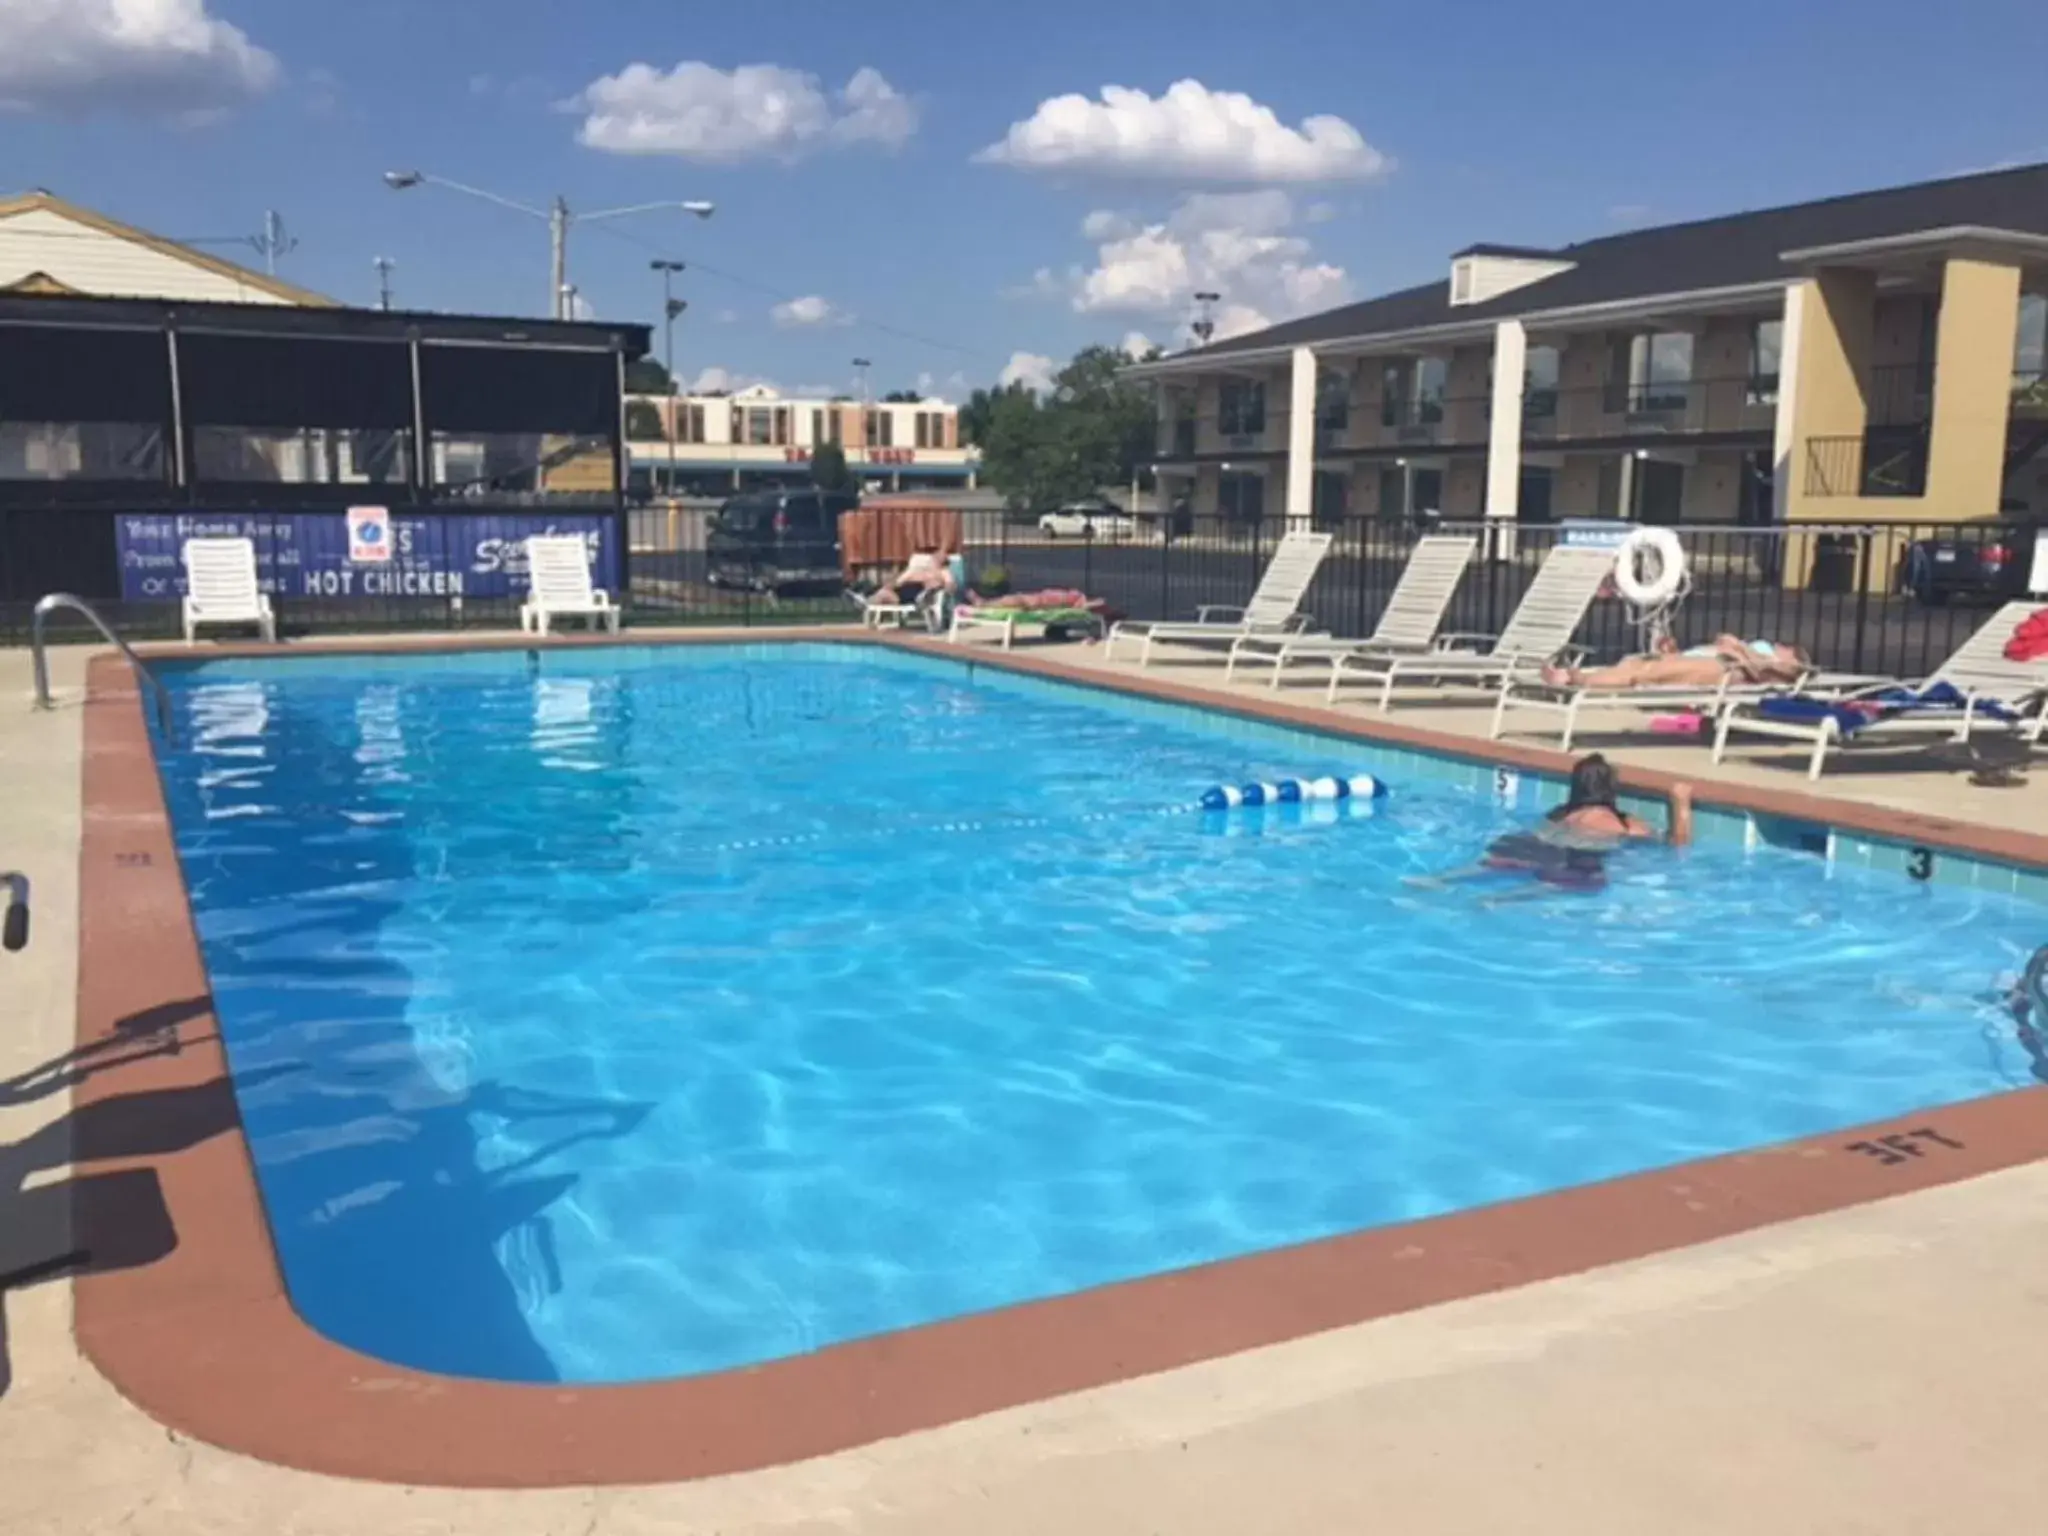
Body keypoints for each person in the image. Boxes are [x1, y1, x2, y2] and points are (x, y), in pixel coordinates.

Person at [1407, 754, 1691, 903]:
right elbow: (1676, 844)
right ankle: (1497, 900)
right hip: (1576, 854)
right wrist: (1681, 804)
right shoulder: (1621, 823)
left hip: (1533, 840)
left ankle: (1440, 880)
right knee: (1575, 882)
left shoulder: (1560, 813)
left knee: (1490, 866)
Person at [1540, 633, 1808, 692]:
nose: (1780, 644)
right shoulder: (1764, 651)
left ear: (1792, 656)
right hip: (1704, 660)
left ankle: (1573, 678)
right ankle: (1570, 674)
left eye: (1787, 646)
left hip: (1721, 667)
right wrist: (1674, 651)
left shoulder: (1785, 667)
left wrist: (1738, 646)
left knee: (1644, 674)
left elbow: (1758, 671)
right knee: (1636, 664)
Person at [872, 543, 955, 608]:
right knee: (884, 593)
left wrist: (939, 587)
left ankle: (869, 600)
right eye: (937, 555)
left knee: (888, 595)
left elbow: (950, 586)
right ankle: (868, 601)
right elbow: (899, 581)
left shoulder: (944, 572)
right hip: (903, 590)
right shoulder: (919, 568)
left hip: (921, 592)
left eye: (943, 556)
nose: (941, 556)